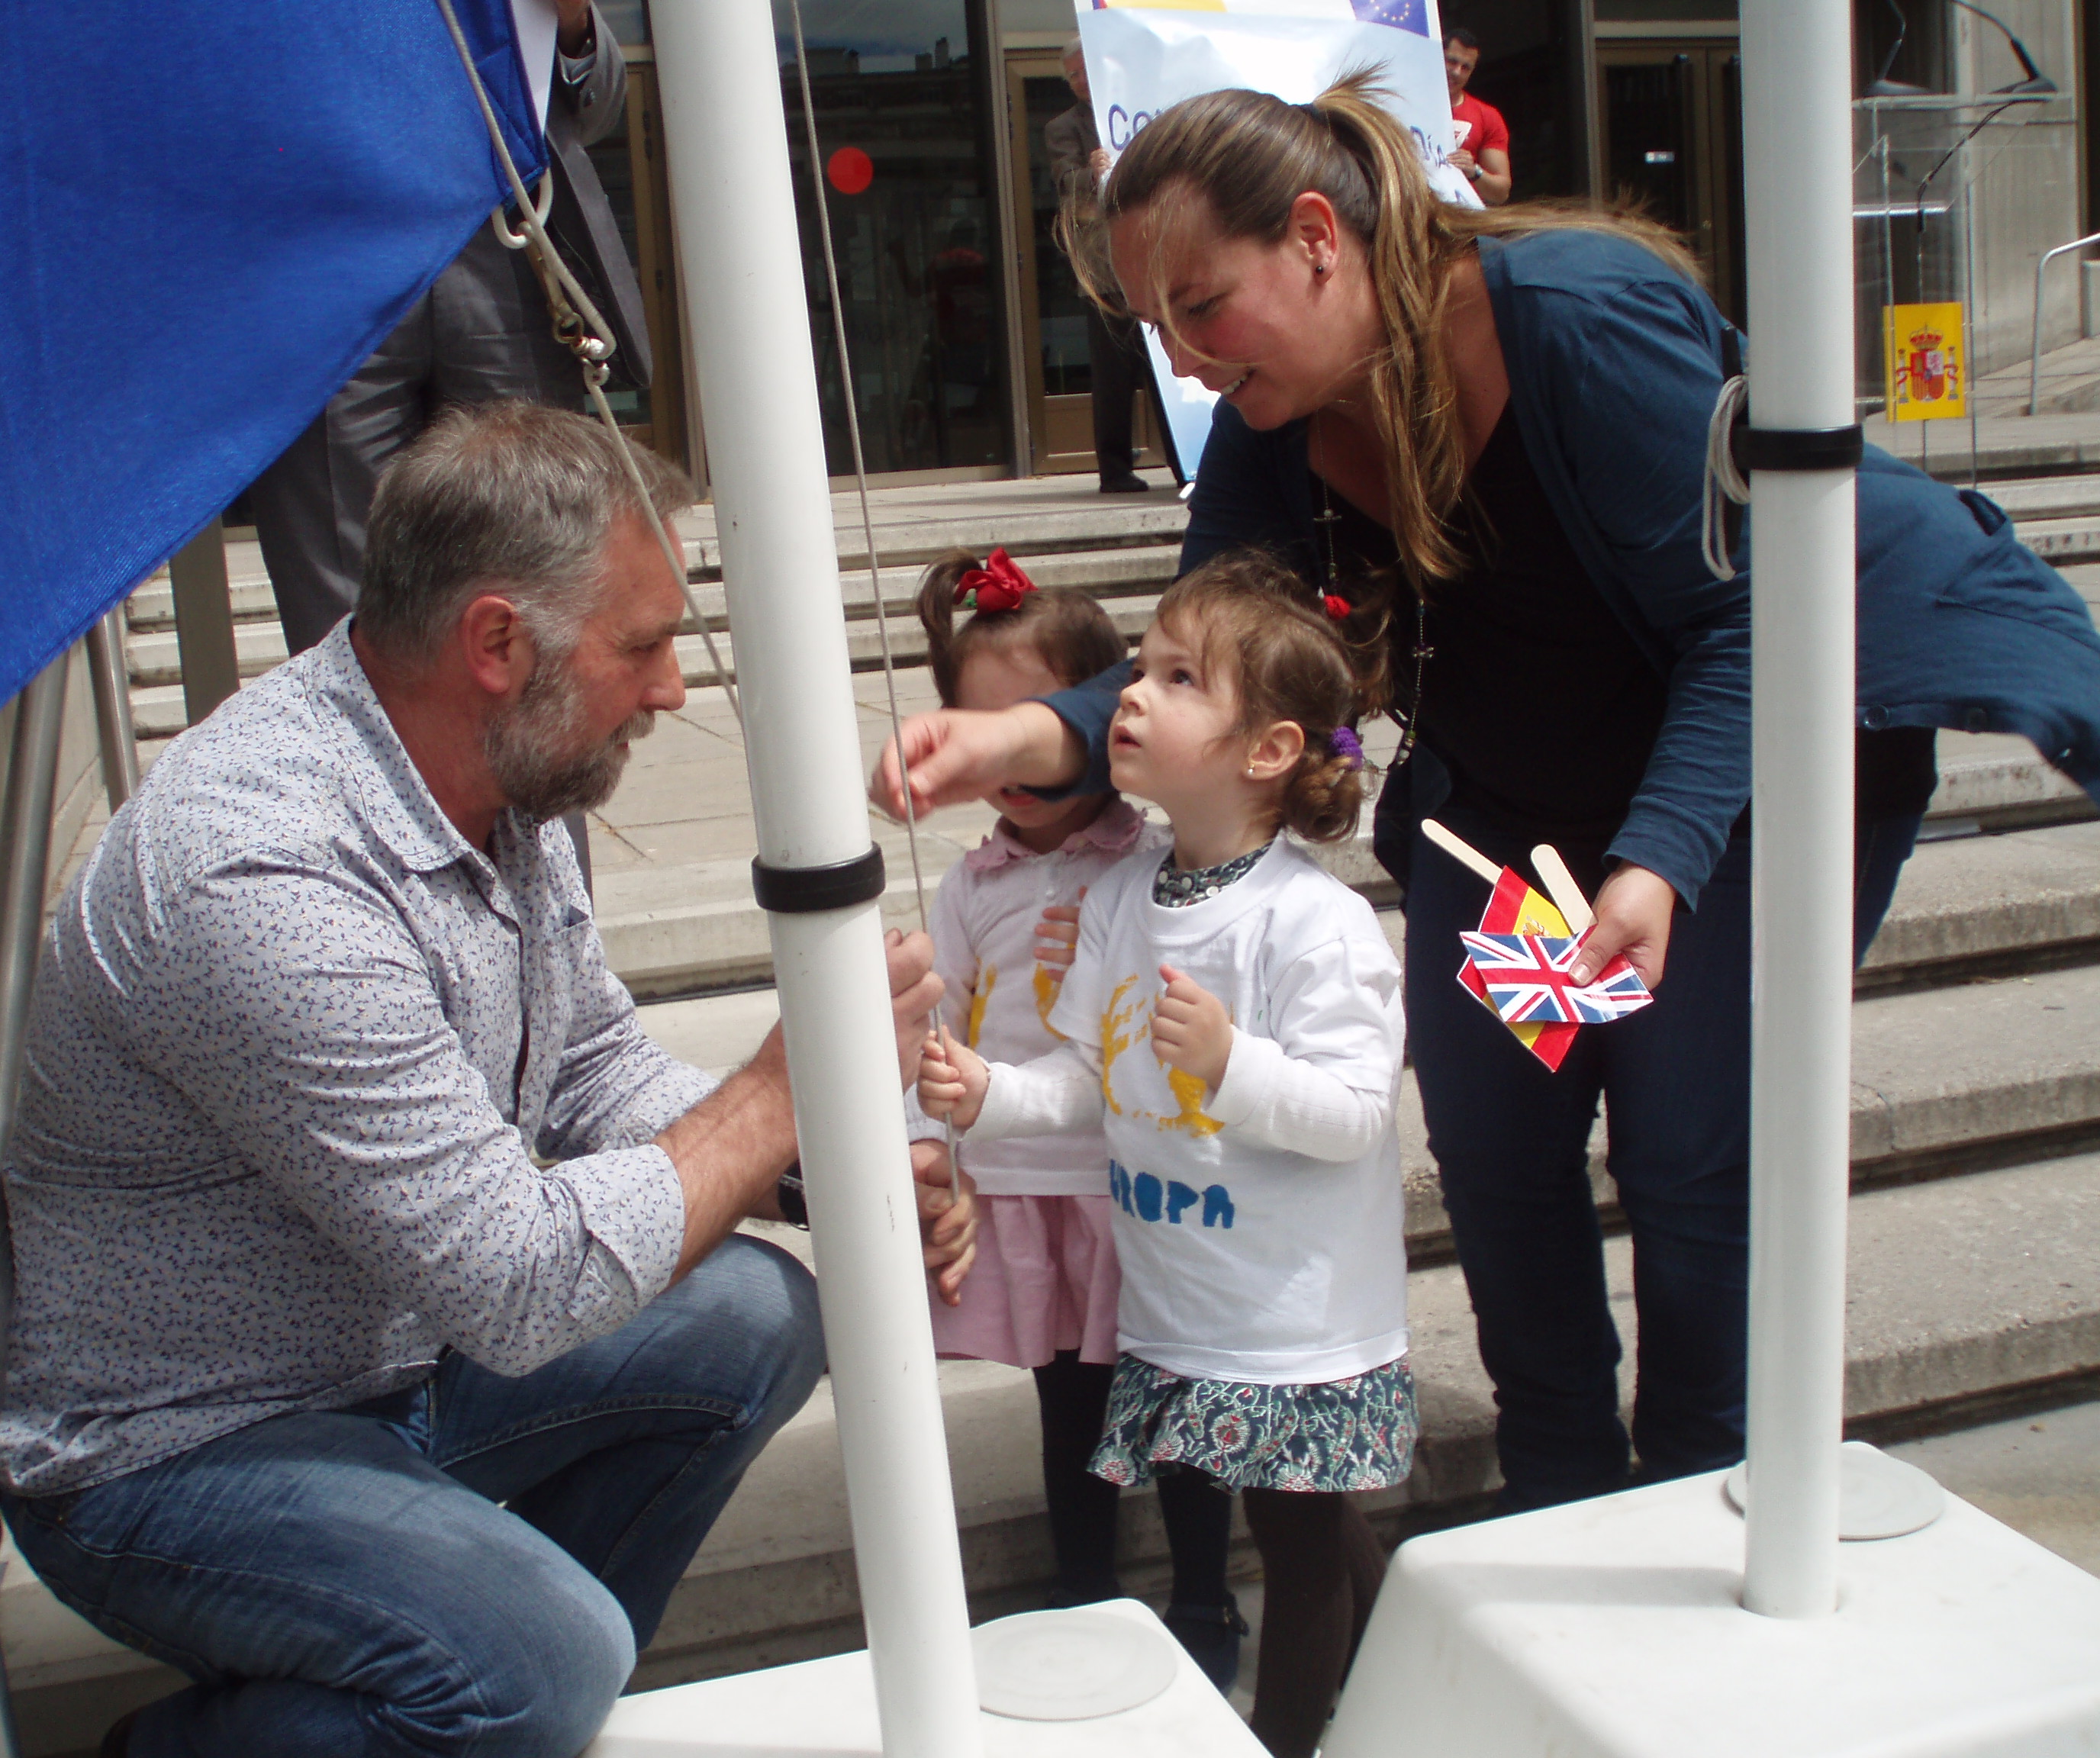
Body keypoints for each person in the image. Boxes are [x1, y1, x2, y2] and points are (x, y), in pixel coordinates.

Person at [873, 81, 2100, 1515]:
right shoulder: (1276, 431)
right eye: (1160, 331)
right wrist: (1010, 734)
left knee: (1690, 1154)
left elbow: (1747, 626)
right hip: (1511, 809)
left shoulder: (1574, 316)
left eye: (1203, 308)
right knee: (1506, 1149)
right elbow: (1208, 657)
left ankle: (1707, 1493)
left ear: (1317, 238)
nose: (1191, 366)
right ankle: (1562, 1491)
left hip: (1746, 764)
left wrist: (1656, 861)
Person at [0, 401, 976, 1758]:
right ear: (498, 642)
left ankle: (476, 1679)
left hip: (393, 1361)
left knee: (752, 1311)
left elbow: (587, 1064)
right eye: (641, 645)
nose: (674, 686)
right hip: (183, 1449)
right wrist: (771, 1099)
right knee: (543, 1657)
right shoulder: (259, 874)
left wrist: (816, 1155)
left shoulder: (499, 776)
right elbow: (517, 1285)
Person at [921, 555, 1411, 1758]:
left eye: (1179, 678)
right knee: (1303, 1522)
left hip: (1292, 1312)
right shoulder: (1127, 895)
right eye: (1141, 670)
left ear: (1267, 749)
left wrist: (1232, 1062)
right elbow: (1091, 1077)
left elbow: (1357, 1109)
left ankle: (1293, 1740)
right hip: (1188, 1297)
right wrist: (991, 1093)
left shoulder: (1314, 921)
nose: (1132, 696)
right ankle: (1418, 1649)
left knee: (1293, 1552)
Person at [904, 550, 1248, 1687]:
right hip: (1031, 1190)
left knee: (1181, 1391)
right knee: (1073, 1407)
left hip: (1136, 1185)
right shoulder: (972, 887)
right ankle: (1084, 1590)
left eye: (1034, 724)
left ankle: (1204, 1599)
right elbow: (935, 1026)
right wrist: (932, 1130)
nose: (1010, 756)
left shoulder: (1152, 864)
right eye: (978, 723)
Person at [250, 0, 650, 658]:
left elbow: (595, 108)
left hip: (501, 260)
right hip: (325, 266)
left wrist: (575, 19)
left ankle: (530, 760)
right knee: (342, 609)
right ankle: (353, 761)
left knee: (536, 574)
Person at [1048, 38, 1180, 492]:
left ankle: (1185, 464)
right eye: (1072, 76)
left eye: (1085, 70)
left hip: (1159, 261)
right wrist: (1093, 171)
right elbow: (1066, 184)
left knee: (1168, 370)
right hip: (1105, 271)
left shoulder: (1142, 107)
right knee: (1114, 374)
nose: (1081, 81)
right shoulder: (1064, 127)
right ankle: (1115, 469)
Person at [1443, 26, 1512, 206]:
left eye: (1466, 67)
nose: (1457, 71)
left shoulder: (1487, 116)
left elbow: (1501, 192)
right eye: (1451, 61)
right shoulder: (1406, 103)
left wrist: (1474, 172)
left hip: (1462, 221)